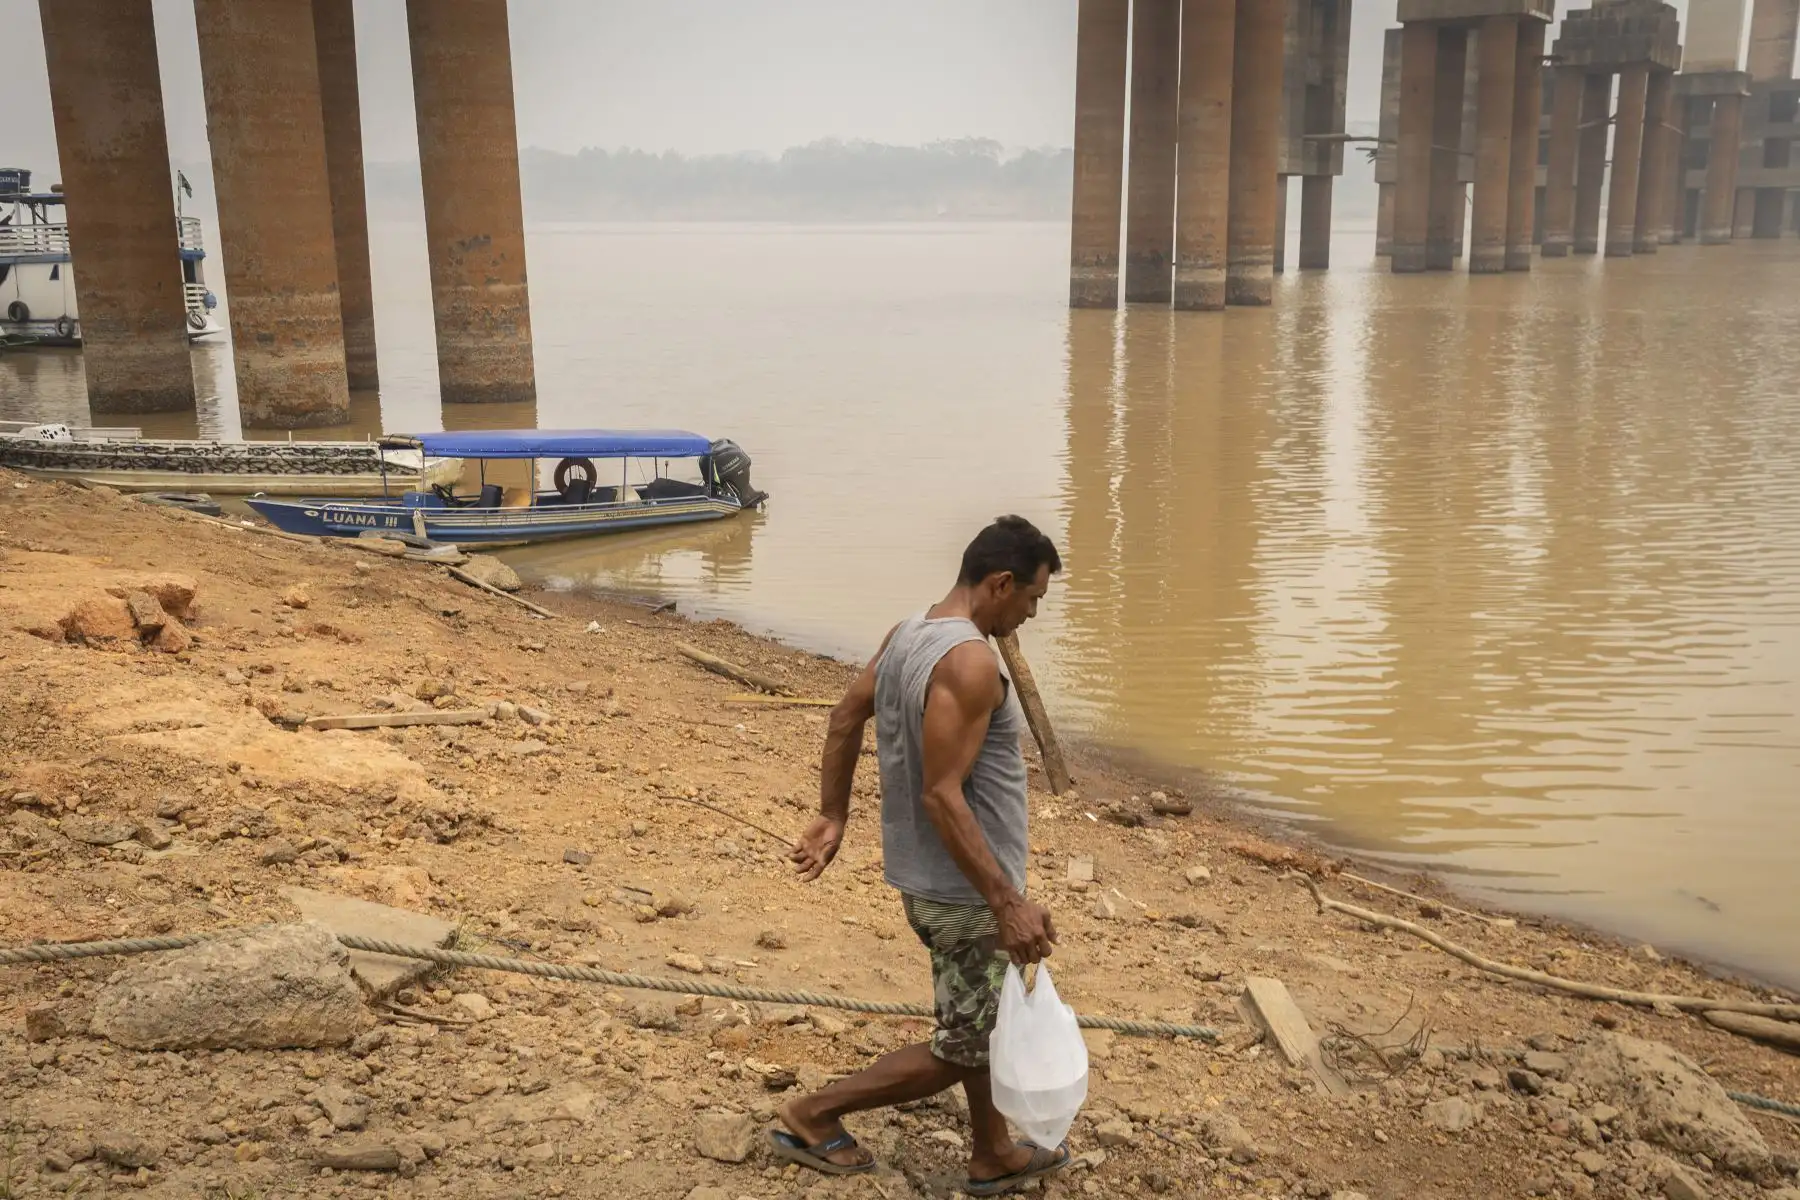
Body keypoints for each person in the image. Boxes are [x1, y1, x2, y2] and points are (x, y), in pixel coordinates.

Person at [772, 515, 1070, 1196]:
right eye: (1030, 600)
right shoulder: (969, 661)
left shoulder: (908, 634)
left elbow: (847, 715)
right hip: (964, 891)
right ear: (1000, 583)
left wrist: (833, 813)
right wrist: (1007, 902)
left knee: (978, 1019)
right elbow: (942, 794)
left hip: (931, 880)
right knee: (966, 1044)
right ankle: (813, 1113)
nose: (1028, 615)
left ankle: (991, 1153)